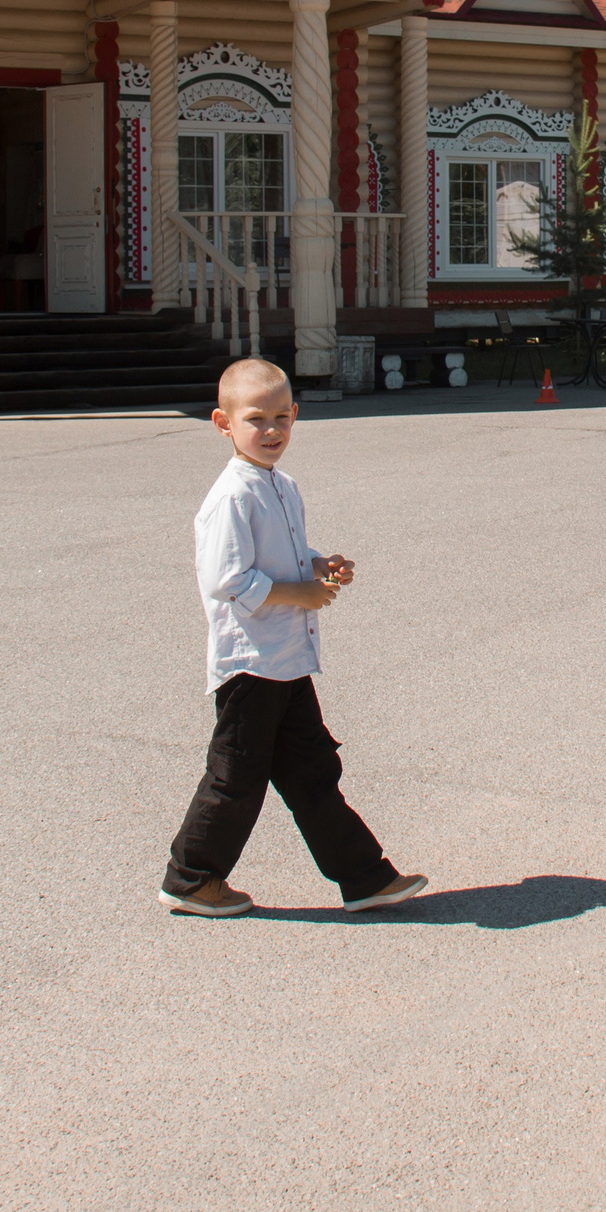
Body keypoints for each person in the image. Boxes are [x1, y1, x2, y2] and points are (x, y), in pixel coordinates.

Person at [159, 358, 428, 917]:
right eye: (257, 419)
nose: (273, 430)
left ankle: (364, 878)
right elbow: (228, 580)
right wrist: (298, 594)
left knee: (312, 771)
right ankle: (190, 878)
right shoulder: (231, 496)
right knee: (237, 775)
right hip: (250, 666)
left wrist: (318, 564)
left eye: (283, 417)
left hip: (286, 660)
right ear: (223, 423)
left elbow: (281, 555)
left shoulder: (282, 485)